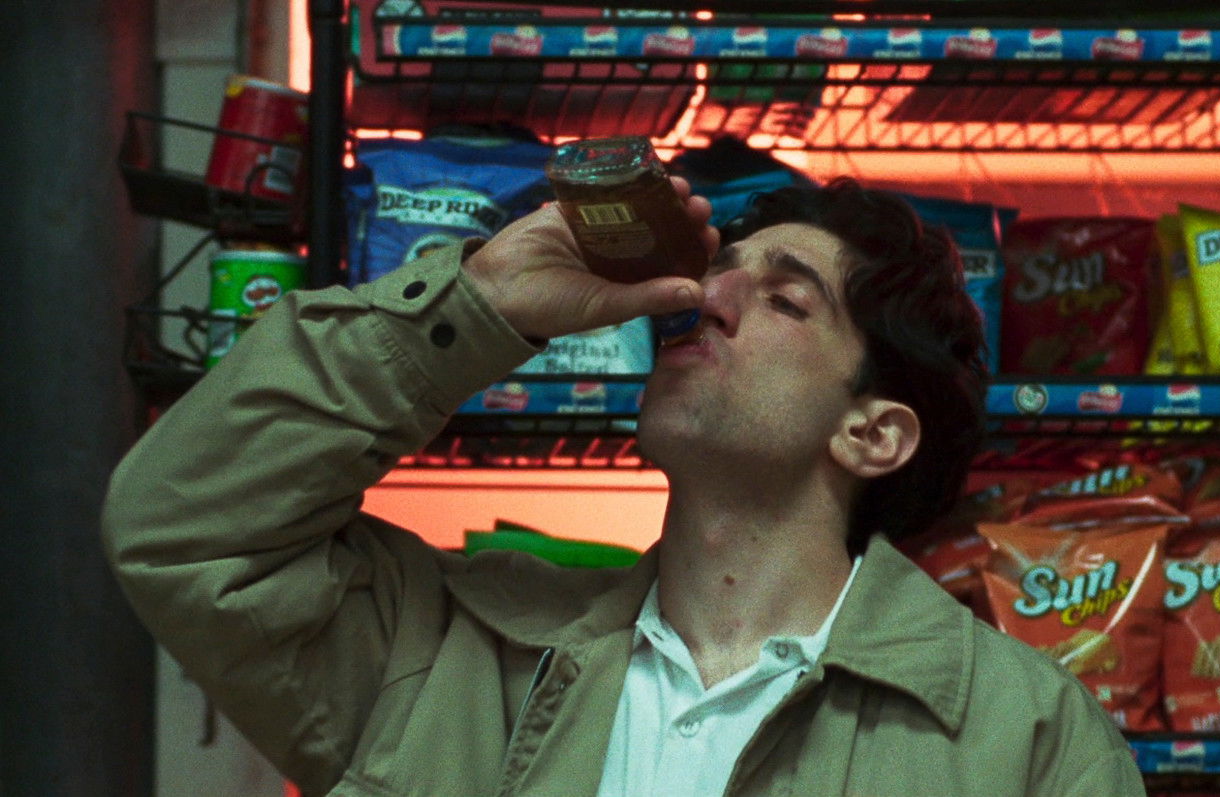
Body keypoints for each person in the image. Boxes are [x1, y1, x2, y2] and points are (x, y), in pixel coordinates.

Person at [102, 176, 1145, 796]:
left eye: (785, 301)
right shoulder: (446, 657)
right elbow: (187, 526)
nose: (707, 298)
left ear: (872, 433)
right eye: (719, 272)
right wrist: (476, 303)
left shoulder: (1024, 738)